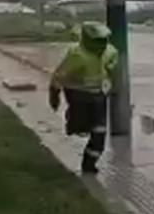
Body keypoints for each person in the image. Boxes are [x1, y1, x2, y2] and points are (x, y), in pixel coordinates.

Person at [49, 22, 119, 174]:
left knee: (99, 132)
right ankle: (73, 120)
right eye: (97, 40)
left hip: (99, 95)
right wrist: (54, 95)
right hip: (78, 94)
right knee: (79, 125)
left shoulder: (111, 51)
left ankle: (89, 164)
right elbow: (59, 76)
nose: (101, 44)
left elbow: (112, 67)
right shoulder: (77, 55)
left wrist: (112, 83)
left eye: (104, 40)